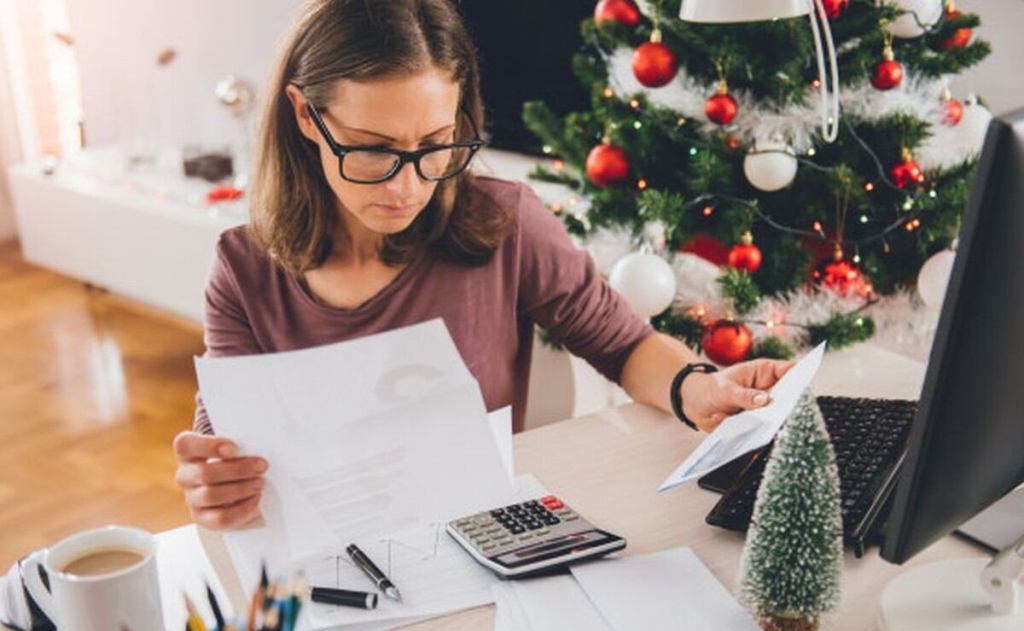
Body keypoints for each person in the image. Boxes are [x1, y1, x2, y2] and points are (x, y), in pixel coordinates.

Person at [173, 0, 794, 531]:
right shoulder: (243, 270)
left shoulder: (505, 223)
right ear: (307, 116)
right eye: (374, 150)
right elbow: (228, 448)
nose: (409, 187)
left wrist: (701, 389)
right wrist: (216, 484)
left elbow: (625, 346)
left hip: (481, 538)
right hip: (329, 556)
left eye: (435, 145)